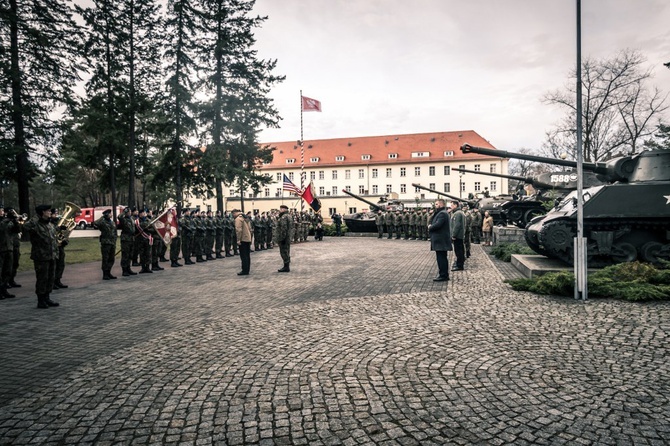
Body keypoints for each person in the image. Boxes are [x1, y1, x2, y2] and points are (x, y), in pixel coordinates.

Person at [23, 204, 60, 308]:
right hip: (41, 256)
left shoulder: (49, 224)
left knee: (50, 278)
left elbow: (53, 239)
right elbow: (25, 227)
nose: (50, 213)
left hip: (51, 255)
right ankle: (41, 300)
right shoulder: (35, 224)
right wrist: (36, 217)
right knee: (42, 279)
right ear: (43, 212)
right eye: (48, 211)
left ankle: (47, 298)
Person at [428, 199, 452, 282]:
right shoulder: (442, 213)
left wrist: (430, 227)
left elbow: (438, 225)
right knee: (441, 258)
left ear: (441, 205)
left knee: (441, 258)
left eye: (437, 204)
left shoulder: (442, 213)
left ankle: (443, 275)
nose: (435, 205)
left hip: (440, 240)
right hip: (440, 240)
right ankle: (443, 274)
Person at [93, 209, 118, 280]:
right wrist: (102, 217)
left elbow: (115, 232)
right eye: (109, 213)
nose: (111, 214)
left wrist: (115, 239)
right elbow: (95, 223)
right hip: (105, 242)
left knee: (111, 258)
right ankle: (105, 274)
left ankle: (109, 272)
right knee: (105, 258)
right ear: (106, 214)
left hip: (112, 242)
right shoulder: (102, 221)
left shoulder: (112, 222)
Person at [117, 207, 137, 276]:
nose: (130, 213)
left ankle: (128, 268)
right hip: (125, 239)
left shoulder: (131, 219)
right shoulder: (123, 219)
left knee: (130, 255)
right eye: (128, 212)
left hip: (131, 238)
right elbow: (119, 217)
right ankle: (124, 270)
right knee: (125, 255)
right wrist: (123, 212)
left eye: (130, 212)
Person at [233, 209, 251, 275]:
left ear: (235, 213)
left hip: (243, 239)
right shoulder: (245, 218)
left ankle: (244, 270)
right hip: (247, 238)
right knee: (247, 255)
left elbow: (238, 230)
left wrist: (238, 240)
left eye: (233, 214)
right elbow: (249, 227)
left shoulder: (238, 219)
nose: (233, 216)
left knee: (243, 256)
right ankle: (247, 269)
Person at [450, 201, 466, 271]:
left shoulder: (458, 213)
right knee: (460, 250)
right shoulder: (458, 213)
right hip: (459, 235)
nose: (451, 206)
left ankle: (459, 265)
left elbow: (457, 225)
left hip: (458, 235)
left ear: (456, 205)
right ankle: (459, 263)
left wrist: (454, 235)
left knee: (458, 251)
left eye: (452, 205)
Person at [276, 204, 293, 272]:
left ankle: (286, 267)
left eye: (281, 209)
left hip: (284, 237)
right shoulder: (289, 216)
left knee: (284, 252)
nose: (280, 210)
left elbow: (284, 228)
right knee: (287, 251)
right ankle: (286, 265)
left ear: (283, 209)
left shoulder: (284, 217)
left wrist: (282, 238)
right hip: (288, 237)